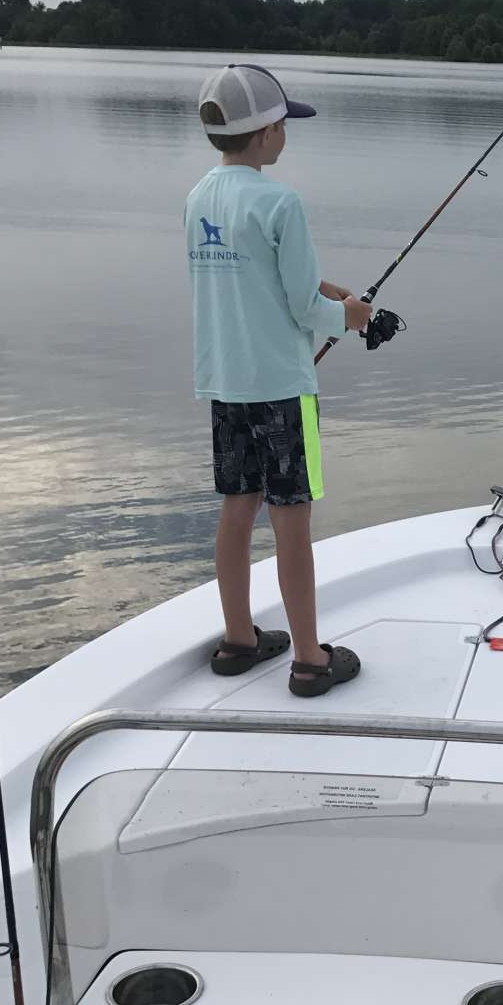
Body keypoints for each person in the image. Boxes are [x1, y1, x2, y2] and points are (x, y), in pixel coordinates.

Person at [186, 62, 372, 696]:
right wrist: (351, 316)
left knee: (237, 511)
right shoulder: (282, 201)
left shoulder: (199, 197)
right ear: (266, 133)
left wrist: (320, 286)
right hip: (284, 392)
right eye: (283, 122)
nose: (286, 132)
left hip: (225, 383)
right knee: (293, 522)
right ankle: (310, 659)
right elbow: (303, 311)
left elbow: (244, 275)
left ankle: (239, 639)